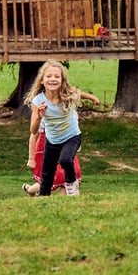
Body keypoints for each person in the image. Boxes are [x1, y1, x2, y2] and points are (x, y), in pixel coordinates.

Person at [24, 60, 93, 196]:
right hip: (53, 140)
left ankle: (72, 188)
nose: (53, 79)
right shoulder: (38, 101)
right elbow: (33, 131)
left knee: (66, 160)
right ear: (42, 80)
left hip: (72, 136)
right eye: (49, 76)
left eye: (57, 76)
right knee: (47, 173)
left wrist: (93, 98)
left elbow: (79, 93)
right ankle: (43, 198)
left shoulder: (68, 94)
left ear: (62, 80)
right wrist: (38, 116)